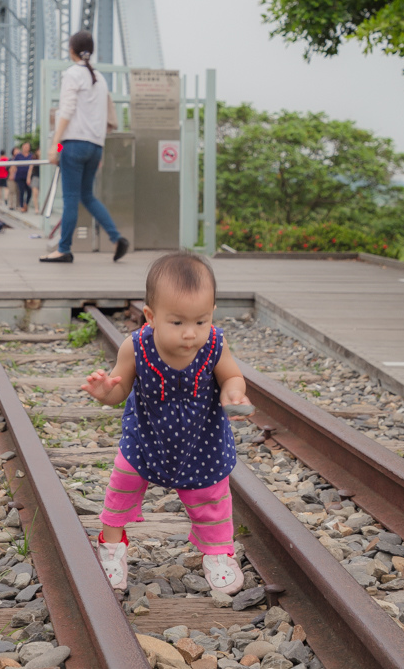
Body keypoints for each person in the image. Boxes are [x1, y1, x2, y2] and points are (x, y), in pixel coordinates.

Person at [81, 252, 252, 593]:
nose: (191, 334)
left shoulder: (215, 344)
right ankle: (112, 543)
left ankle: (218, 552)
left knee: (211, 498)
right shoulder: (135, 347)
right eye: (177, 323)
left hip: (201, 442)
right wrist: (105, 393)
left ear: (212, 315)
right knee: (121, 489)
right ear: (151, 316)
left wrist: (233, 392)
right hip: (146, 439)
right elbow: (120, 389)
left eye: (201, 321)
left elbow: (232, 375)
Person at [40, 30, 128, 263]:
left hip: (73, 145)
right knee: (87, 196)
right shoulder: (99, 79)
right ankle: (116, 237)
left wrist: (54, 146)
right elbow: (102, 116)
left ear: (71, 50)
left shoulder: (72, 74)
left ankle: (64, 249)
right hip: (95, 147)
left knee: (70, 198)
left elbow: (66, 112)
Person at [14, 141, 33, 212]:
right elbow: (14, 165)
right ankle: (22, 206)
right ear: (22, 147)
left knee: (29, 191)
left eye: (27, 147)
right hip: (20, 176)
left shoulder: (31, 156)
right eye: (25, 147)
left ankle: (26, 204)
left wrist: (29, 177)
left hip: (28, 176)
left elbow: (32, 166)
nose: (26, 148)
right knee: (21, 191)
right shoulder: (18, 156)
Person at [27, 147, 41, 214]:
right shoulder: (34, 158)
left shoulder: (44, 157)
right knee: (35, 193)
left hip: (43, 178)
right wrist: (28, 178)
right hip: (35, 177)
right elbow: (30, 168)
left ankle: (41, 207)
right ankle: (36, 208)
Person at [7, 145, 20, 210]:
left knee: (18, 191)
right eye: (16, 151)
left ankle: (17, 205)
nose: (17, 152)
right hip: (11, 178)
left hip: (18, 177)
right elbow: (7, 168)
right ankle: (11, 205)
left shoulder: (20, 159)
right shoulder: (10, 160)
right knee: (12, 191)